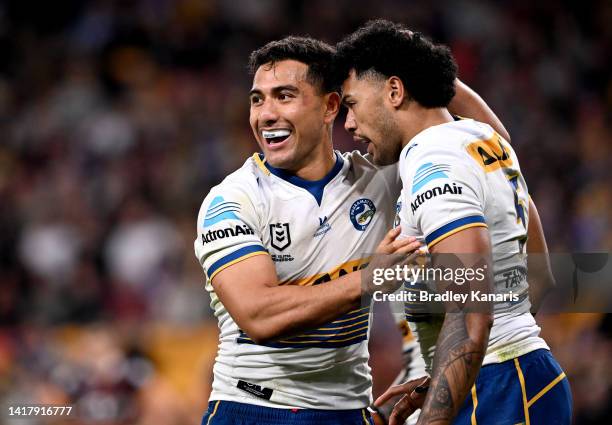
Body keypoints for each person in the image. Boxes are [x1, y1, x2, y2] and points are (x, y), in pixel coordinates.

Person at [194, 36, 517, 425]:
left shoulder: (380, 182)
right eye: (257, 99)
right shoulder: (232, 200)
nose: (265, 114)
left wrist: (410, 61)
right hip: (254, 408)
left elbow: (488, 143)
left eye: (284, 96)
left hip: (349, 411)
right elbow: (258, 315)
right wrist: (369, 280)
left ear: (331, 106)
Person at [335, 20, 571, 425]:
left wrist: (435, 414)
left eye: (352, 104)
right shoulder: (484, 141)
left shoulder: (436, 162)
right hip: (508, 378)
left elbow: (471, 313)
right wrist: (444, 379)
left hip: (501, 390)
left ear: (394, 91)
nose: (349, 125)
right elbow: (540, 277)